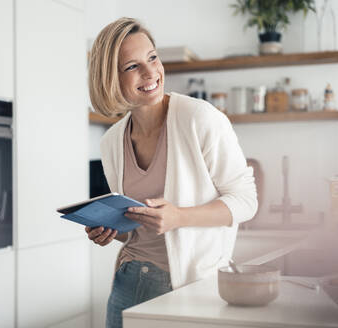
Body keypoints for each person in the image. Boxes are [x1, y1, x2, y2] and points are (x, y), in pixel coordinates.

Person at [87, 17, 258, 328]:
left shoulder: (200, 119)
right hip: (128, 283)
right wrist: (111, 229)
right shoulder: (111, 142)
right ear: (111, 78)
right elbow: (134, 228)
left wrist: (179, 217)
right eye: (132, 66)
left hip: (191, 287)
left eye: (152, 57)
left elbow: (246, 201)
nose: (151, 72)